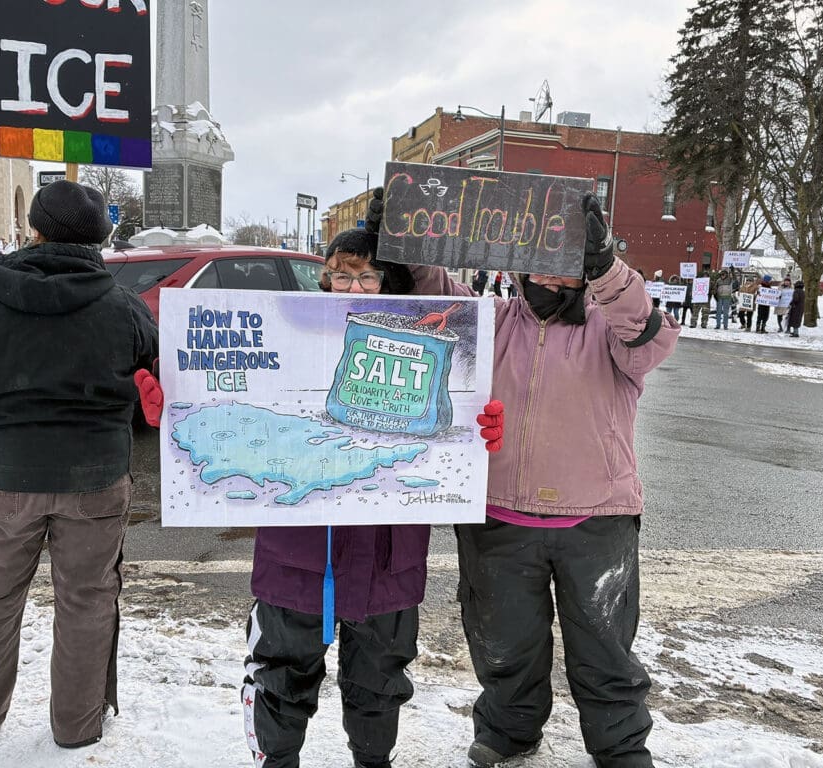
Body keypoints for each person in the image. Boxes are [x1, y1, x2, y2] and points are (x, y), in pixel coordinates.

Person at [230, 224, 501, 768]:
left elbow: (472, 351)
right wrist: (173, 406)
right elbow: (221, 389)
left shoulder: (429, 343)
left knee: (378, 680)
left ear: (391, 281)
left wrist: (481, 427)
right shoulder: (292, 340)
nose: (351, 286)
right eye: (339, 274)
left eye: (367, 275)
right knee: (282, 673)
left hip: (387, 555)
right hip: (295, 552)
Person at [456, 195, 679, 768]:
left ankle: (620, 745)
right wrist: (406, 255)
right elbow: (429, 309)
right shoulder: (494, 321)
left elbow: (652, 335)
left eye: (567, 254)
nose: (551, 267)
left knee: (604, 646)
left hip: (595, 517)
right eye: (539, 253)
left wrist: (608, 267)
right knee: (507, 642)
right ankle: (509, 731)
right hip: (499, 515)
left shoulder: (612, 328)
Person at [0, 180, 158, 749]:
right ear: (100, 239)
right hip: (96, 481)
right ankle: (77, 727)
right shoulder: (122, 305)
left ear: (34, 229)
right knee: (87, 601)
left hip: (5, 475)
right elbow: (150, 368)